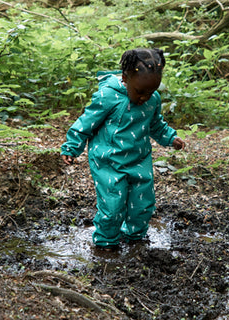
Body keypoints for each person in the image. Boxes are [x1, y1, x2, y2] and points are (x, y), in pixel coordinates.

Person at [61, 48, 185, 251]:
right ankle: (106, 244)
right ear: (125, 78)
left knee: (143, 204)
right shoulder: (108, 96)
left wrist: (170, 137)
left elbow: (156, 124)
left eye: (151, 92)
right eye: (140, 92)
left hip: (139, 160)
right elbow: (86, 122)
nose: (145, 98)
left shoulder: (152, 100)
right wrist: (72, 146)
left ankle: (135, 238)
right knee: (112, 206)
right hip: (108, 162)